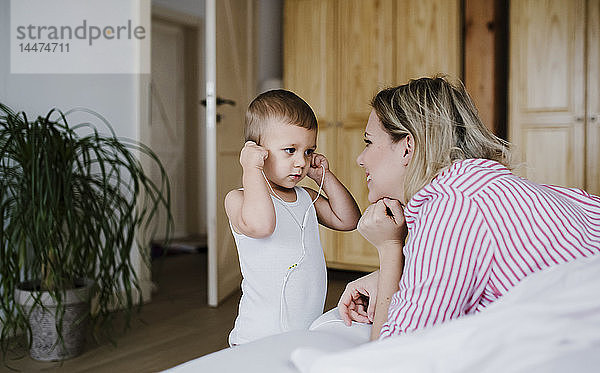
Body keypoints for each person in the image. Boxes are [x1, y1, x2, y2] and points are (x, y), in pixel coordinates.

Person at [338, 75, 600, 340]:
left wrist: (389, 248)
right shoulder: (482, 186)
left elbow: (395, 353)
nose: (361, 159)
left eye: (368, 142)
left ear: (407, 147)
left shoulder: (450, 206)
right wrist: (389, 277)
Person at [225, 89, 361, 345]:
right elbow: (262, 226)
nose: (302, 162)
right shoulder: (238, 199)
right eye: (290, 150)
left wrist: (324, 178)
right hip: (258, 336)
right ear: (257, 151)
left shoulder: (305, 197)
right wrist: (251, 169)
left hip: (304, 331)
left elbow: (348, 220)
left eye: (308, 151)